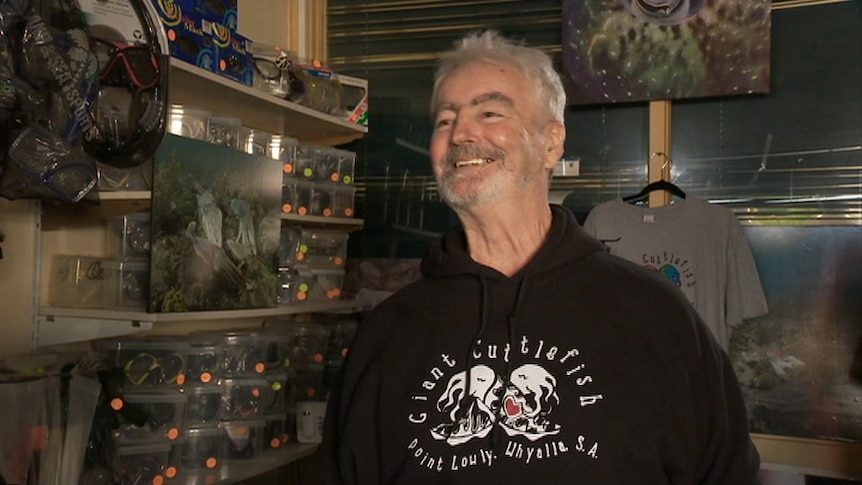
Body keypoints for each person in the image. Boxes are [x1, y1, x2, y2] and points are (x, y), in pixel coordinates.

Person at [323, 30, 760, 484]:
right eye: (444, 120)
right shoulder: (388, 334)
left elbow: (725, 472)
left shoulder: (656, 314)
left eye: (489, 112)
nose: (460, 134)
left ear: (551, 143)